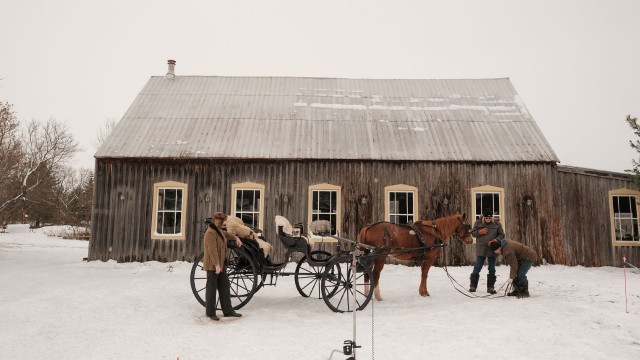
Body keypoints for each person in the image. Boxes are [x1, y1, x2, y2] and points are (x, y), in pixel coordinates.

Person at [203, 212, 243, 321]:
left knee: (224, 286)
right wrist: (216, 265)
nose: (224, 223)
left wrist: (236, 238)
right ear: (218, 221)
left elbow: (225, 234)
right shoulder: (210, 233)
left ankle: (228, 311)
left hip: (221, 264)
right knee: (211, 289)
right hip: (213, 265)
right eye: (223, 221)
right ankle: (210, 313)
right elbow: (212, 250)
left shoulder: (218, 230)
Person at [469, 208, 505, 294]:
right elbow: (473, 233)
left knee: (492, 268)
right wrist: (480, 232)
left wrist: (496, 240)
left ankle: (490, 287)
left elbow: (502, 235)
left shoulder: (497, 223)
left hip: (492, 249)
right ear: (483, 217)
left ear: (491, 217)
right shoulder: (478, 223)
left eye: (489, 218)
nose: (488, 219)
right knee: (477, 266)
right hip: (481, 248)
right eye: (486, 218)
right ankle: (473, 286)